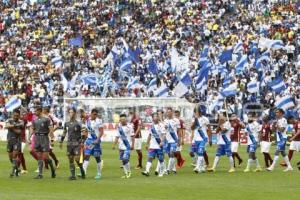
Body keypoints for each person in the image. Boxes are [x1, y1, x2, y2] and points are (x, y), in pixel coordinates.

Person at [59, 107, 86, 180]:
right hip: (69, 143)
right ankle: (73, 175)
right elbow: (64, 132)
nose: (71, 114)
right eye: (70, 112)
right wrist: (61, 141)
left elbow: (84, 132)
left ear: (75, 113)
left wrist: (82, 141)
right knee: (70, 159)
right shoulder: (66, 123)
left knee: (77, 159)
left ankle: (81, 169)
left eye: (72, 112)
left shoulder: (79, 123)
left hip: (77, 143)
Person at [31, 106, 56, 179]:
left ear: (40, 111)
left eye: (36, 111)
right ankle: (40, 174)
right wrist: (30, 136)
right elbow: (33, 128)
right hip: (37, 138)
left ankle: (53, 170)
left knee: (46, 157)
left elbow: (51, 130)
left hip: (44, 138)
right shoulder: (35, 120)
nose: (34, 112)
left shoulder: (47, 119)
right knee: (39, 157)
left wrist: (52, 140)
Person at [142, 112, 166, 177]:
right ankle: (147, 171)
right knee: (150, 157)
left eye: (156, 116)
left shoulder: (161, 125)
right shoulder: (151, 126)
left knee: (161, 159)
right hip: (152, 145)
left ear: (158, 118)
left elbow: (164, 134)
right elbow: (150, 135)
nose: (155, 118)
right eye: (154, 117)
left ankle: (161, 172)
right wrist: (147, 144)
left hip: (159, 145)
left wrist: (162, 142)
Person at [82, 109, 104, 180]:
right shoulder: (87, 121)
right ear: (91, 114)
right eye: (94, 114)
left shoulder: (99, 121)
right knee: (86, 156)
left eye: (96, 114)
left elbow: (101, 131)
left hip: (96, 141)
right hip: (89, 141)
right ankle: (83, 172)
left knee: (97, 157)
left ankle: (99, 173)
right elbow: (86, 131)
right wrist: (85, 141)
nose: (95, 115)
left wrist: (97, 139)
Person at [112, 114, 135, 179]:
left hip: (127, 146)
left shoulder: (130, 127)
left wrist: (132, 145)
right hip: (121, 146)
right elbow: (117, 136)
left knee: (125, 159)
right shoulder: (119, 127)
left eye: (124, 119)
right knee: (123, 160)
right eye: (121, 120)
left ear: (126, 120)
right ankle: (126, 173)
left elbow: (132, 136)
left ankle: (129, 172)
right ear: (120, 120)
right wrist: (114, 145)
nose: (122, 121)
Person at [190, 106, 210, 173]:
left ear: (200, 111)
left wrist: (210, 139)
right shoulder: (194, 119)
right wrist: (195, 121)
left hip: (204, 138)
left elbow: (209, 129)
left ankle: (197, 167)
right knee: (197, 153)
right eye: (195, 111)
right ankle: (202, 167)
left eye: (197, 111)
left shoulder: (205, 119)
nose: (196, 113)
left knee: (201, 151)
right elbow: (192, 128)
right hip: (196, 139)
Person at [5, 109, 24, 177]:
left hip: (17, 140)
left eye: (17, 116)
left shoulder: (21, 121)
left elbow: (19, 132)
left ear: (19, 115)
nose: (16, 117)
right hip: (10, 140)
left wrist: (11, 127)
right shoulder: (9, 120)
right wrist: (14, 126)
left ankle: (13, 172)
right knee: (11, 158)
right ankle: (17, 168)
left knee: (14, 156)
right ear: (13, 114)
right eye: (15, 115)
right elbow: (6, 126)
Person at [163, 108, 181, 174]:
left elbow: (179, 131)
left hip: (174, 140)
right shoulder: (165, 121)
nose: (169, 113)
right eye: (168, 112)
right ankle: (174, 169)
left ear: (172, 112)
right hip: (167, 140)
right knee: (169, 155)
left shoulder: (176, 120)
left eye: (170, 112)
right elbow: (164, 131)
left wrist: (179, 140)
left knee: (172, 153)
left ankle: (168, 170)